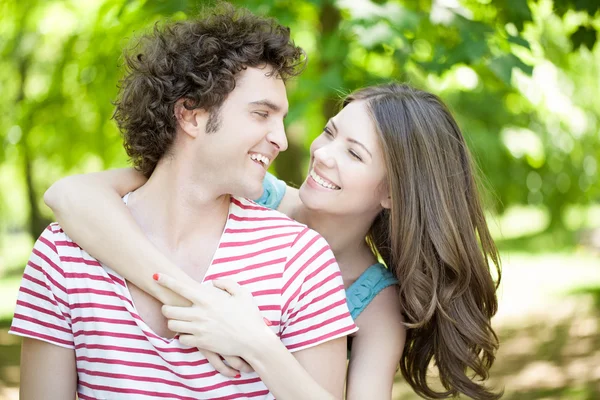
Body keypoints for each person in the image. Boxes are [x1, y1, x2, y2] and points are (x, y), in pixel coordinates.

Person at [45, 81, 503, 399]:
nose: (322, 154)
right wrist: (190, 301)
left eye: (353, 153)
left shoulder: (373, 301)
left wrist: (256, 343)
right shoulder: (240, 189)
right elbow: (69, 195)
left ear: (390, 192)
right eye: (329, 131)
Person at [10, 5, 360, 400]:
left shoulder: (299, 258)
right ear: (190, 115)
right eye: (261, 114)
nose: (280, 139)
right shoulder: (62, 254)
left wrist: (256, 345)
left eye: (281, 119)